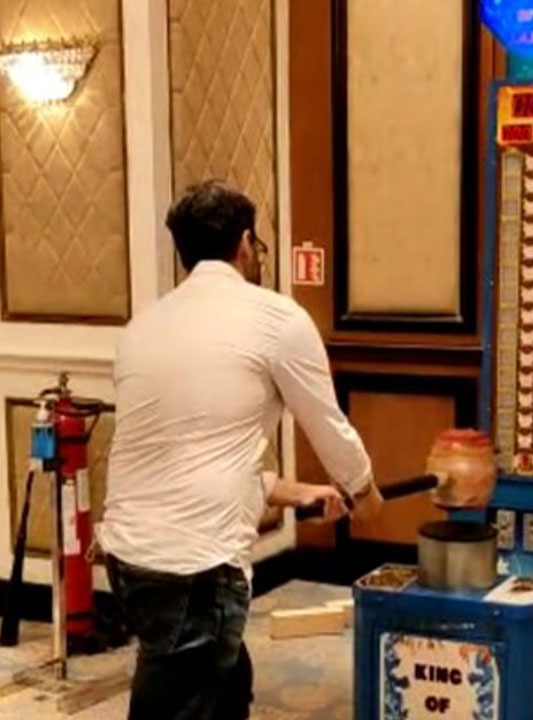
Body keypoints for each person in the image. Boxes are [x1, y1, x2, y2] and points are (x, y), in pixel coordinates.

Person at [96, 180, 384, 720]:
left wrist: (302, 493)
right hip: (196, 568)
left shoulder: (143, 326)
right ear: (246, 243)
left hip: (130, 558)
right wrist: (364, 490)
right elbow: (327, 425)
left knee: (224, 679)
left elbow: (195, 461)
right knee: (179, 698)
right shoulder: (275, 318)